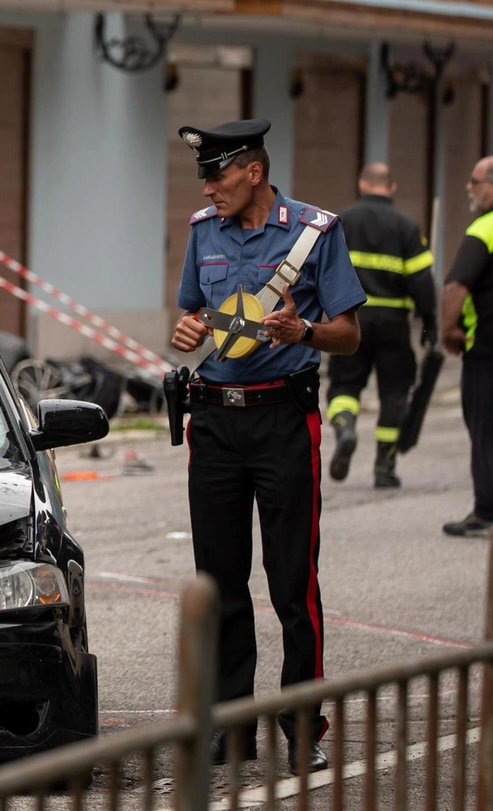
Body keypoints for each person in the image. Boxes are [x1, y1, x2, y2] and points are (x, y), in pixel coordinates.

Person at [169, 118, 365, 774]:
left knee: (291, 584)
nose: (208, 185)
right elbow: (193, 312)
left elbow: (349, 334)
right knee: (220, 581)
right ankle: (230, 725)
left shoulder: (314, 232)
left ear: (253, 171)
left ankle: (303, 722)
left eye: (218, 173)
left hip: (285, 420)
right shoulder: (203, 233)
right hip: (217, 425)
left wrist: (304, 328)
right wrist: (189, 332)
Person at [325, 162, 436, 489]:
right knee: (394, 392)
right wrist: (430, 323)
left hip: (348, 320)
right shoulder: (407, 227)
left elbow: (324, 273)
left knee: (344, 385)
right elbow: (422, 282)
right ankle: (384, 466)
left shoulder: (340, 222)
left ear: (361, 184)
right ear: (392, 188)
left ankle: (345, 428)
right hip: (393, 324)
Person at [441, 156, 493, 536]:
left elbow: (456, 285)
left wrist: (447, 330)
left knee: (485, 428)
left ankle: (486, 513)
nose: (469, 189)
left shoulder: (484, 229)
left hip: (487, 350)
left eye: (474, 182)